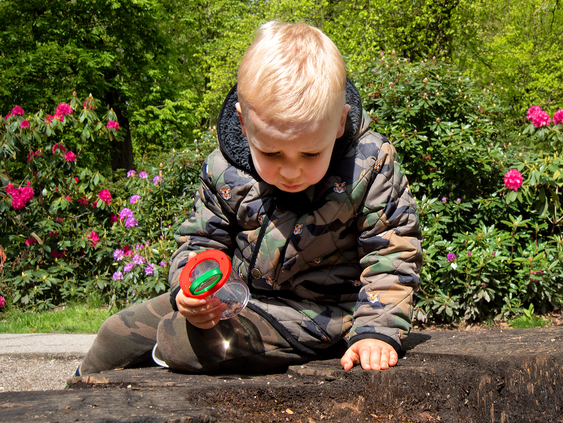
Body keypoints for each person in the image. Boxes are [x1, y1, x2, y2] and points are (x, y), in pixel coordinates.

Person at [78, 21, 422, 375]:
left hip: (319, 312)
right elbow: (200, 241)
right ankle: (72, 399)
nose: (291, 171)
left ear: (339, 124)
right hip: (233, 298)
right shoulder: (224, 169)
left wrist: (375, 332)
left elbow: (392, 253)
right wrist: (193, 293)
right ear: (244, 125)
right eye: (272, 154)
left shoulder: (368, 165)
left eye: (310, 155)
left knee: (180, 341)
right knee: (114, 334)